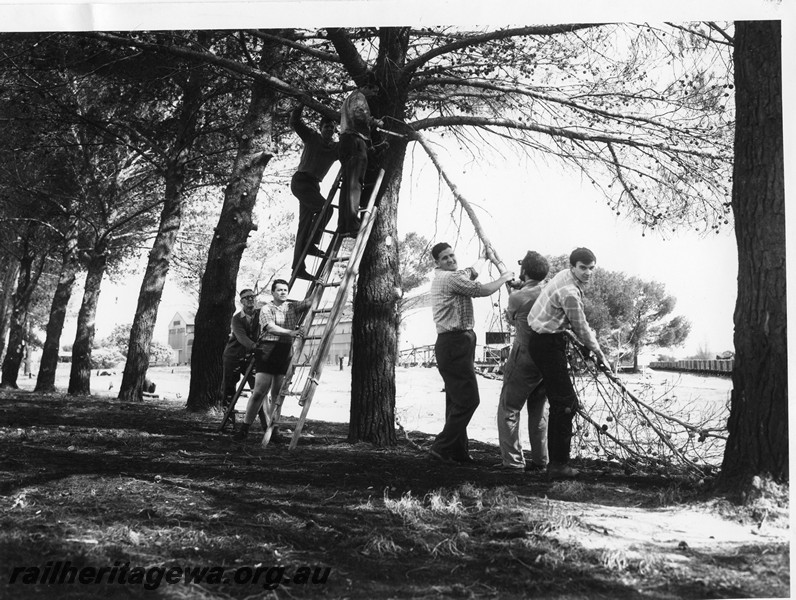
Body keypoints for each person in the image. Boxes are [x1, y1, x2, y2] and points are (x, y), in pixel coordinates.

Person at [428, 242, 514, 463]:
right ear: (437, 263)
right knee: (469, 400)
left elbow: (470, 272)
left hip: (452, 343)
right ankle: (442, 446)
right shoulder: (450, 278)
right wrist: (504, 278)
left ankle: (456, 451)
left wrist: (485, 258)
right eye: (445, 258)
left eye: (451, 255)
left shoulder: (451, 275)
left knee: (456, 400)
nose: (450, 260)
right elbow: (482, 290)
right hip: (455, 343)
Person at [526, 247, 609, 479]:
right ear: (573, 266)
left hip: (547, 340)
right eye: (583, 268)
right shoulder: (570, 292)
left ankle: (555, 462)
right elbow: (581, 327)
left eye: (592, 268)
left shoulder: (564, 274)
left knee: (562, 401)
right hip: (547, 345)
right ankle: (558, 465)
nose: (588, 273)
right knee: (565, 404)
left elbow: (569, 320)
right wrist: (600, 355)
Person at [233, 279, 311, 442]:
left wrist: (319, 284)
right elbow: (270, 327)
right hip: (267, 349)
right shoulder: (266, 309)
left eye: (285, 290)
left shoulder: (292, 306)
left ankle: (273, 430)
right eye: (280, 290)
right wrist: (290, 332)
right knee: (260, 392)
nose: (283, 292)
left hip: (285, 351)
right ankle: (245, 428)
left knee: (277, 393)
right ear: (273, 293)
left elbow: (311, 302)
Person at [497, 251, 550, 472]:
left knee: (509, 409)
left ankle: (513, 462)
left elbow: (510, 318)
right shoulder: (551, 292)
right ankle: (541, 461)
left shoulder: (517, 297)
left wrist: (514, 289)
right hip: (547, 361)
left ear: (524, 271)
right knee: (538, 412)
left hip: (524, 357)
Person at [289, 104, 339, 281]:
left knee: (304, 226)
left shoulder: (334, 148)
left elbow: (349, 151)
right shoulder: (311, 137)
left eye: (332, 128)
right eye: (326, 127)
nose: (329, 130)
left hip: (314, 185)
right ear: (320, 128)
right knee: (326, 209)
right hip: (301, 181)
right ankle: (311, 244)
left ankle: (298, 267)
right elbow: (295, 121)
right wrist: (300, 103)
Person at [338, 80, 384, 236]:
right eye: (374, 90)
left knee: (347, 185)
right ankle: (352, 223)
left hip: (346, 140)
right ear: (366, 86)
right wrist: (374, 121)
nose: (374, 94)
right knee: (355, 183)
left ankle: (343, 224)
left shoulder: (349, 98)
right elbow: (359, 114)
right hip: (355, 141)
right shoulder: (359, 98)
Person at [221, 288, 260, 415]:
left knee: (258, 388)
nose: (250, 299)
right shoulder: (236, 319)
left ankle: (265, 424)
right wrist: (257, 347)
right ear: (241, 301)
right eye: (246, 297)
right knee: (229, 389)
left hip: (251, 357)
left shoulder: (262, 314)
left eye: (252, 296)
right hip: (234, 356)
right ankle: (228, 420)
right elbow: (242, 337)